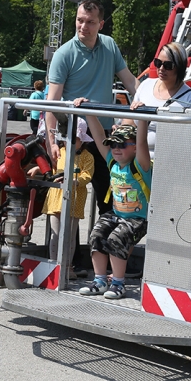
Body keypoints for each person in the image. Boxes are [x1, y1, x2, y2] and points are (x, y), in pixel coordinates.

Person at [45, 0, 139, 216]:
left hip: (103, 134)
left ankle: (105, 247)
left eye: (90, 22)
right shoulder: (63, 54)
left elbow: (130, 81)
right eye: (80, 20)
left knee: (109, 194)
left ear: (101, 24)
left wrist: (151, 103)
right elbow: (52, 102)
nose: (83, 26)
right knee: (68, 198)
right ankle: (71, 250)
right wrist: (51, 142)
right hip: (73, 135)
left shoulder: (109, 45)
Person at [75, 105, 151, 300]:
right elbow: (100, 135)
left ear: (134, 148)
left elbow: (142, 141)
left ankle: (118, 283)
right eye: (114, 145)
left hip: (138, 219)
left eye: (122, 145)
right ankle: (100, 280)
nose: (116, 149)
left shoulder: (140, 165)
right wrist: (89, 112)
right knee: (97, 234)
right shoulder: (111, 161)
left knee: (116, 239)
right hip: (117, 214)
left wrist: (142, 117)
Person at [28, 118, 95, 277]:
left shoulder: (87, 157)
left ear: (82, 140)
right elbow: (53, 168)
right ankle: (53, 266)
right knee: (55, 234)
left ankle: (67, 267)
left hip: (75, 197)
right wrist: (39, 168)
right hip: (57, 195)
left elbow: (87, 175)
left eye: (75, 139)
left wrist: (75, 181)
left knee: (69, 236)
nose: (70, 142)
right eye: (67, 138)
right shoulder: (60, 152)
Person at [130, 42, 191, 159]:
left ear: (179, 67)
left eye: (168, 65)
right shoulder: (145, 85)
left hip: (170, 162)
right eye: (158, 63)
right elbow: (129, 121)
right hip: (137, 162)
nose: (161, 69)